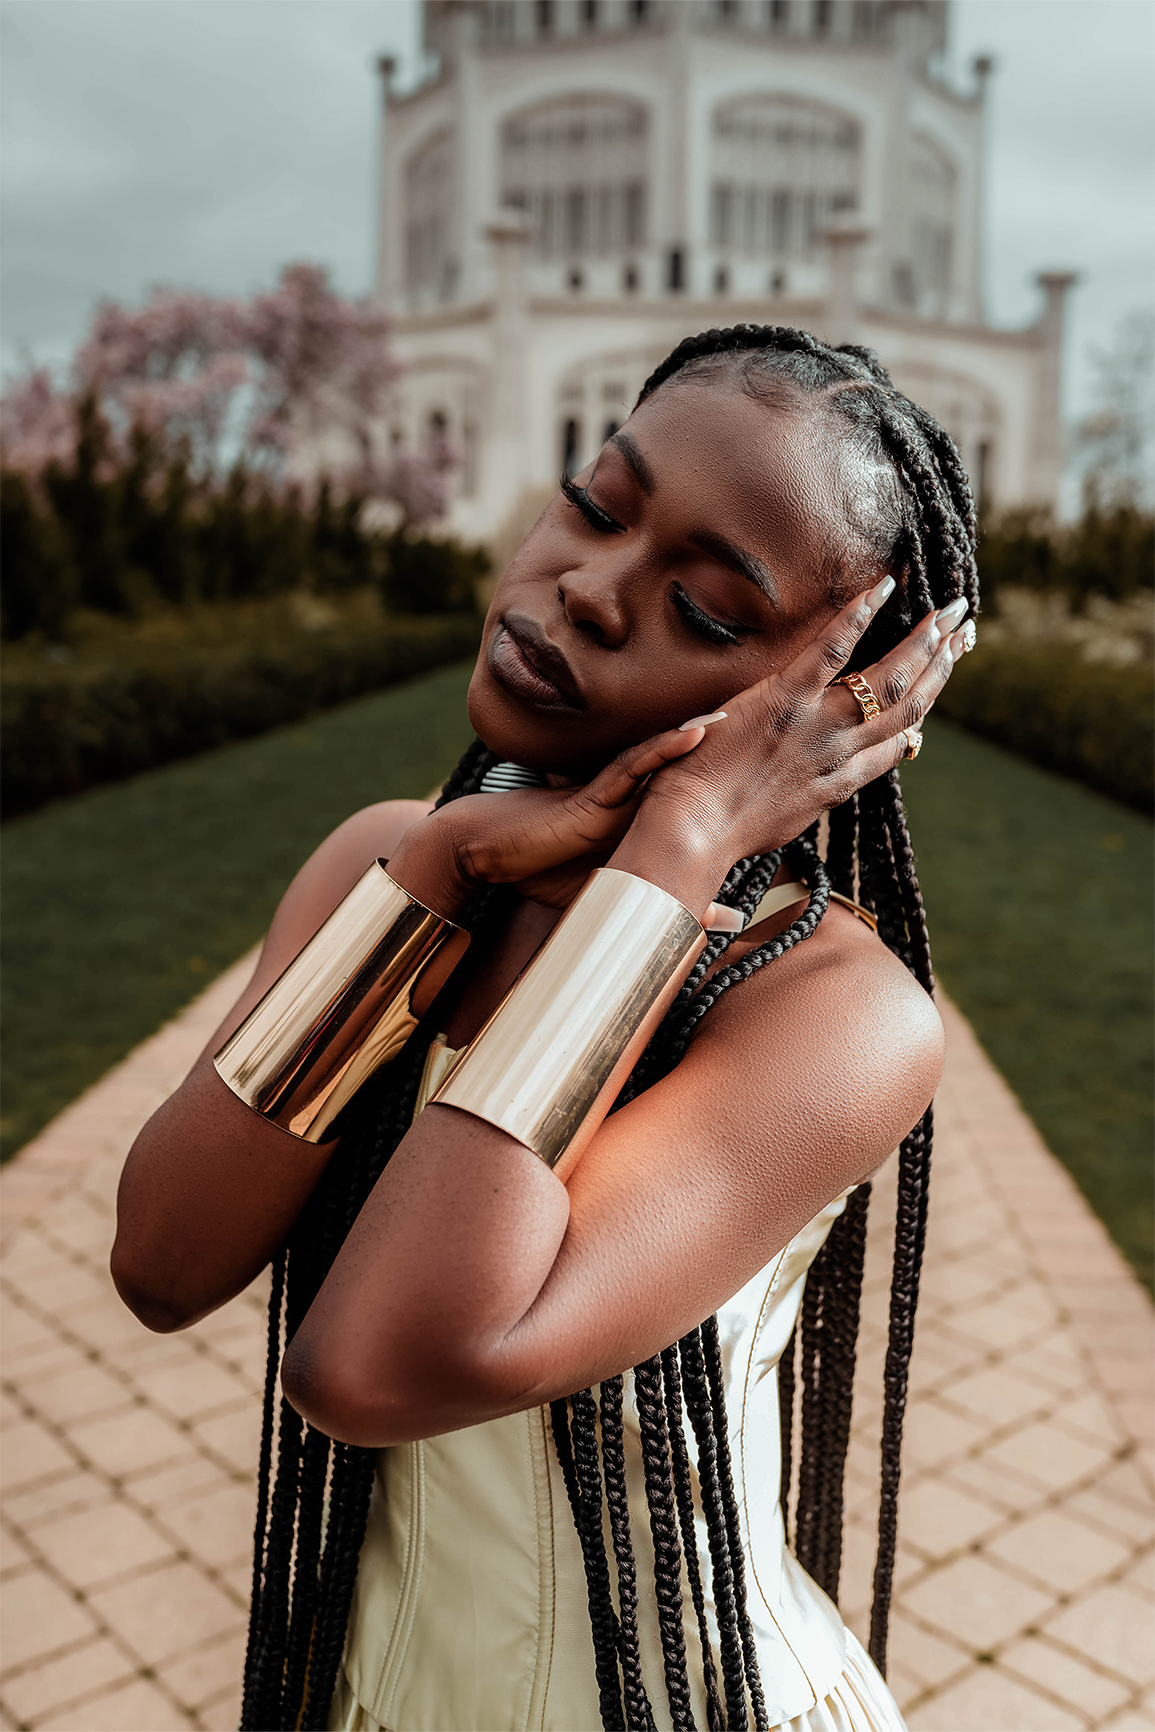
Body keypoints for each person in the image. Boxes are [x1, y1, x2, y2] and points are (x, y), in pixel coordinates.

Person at [112, 324, 979, 1732]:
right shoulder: (392, 866)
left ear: (837, 708)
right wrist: (442, 872)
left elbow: (379, 1361)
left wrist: (680, 846)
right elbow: (161, 1257)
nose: (584, 589)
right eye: (592, 503)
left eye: (701, 610)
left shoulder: (834, 1016)